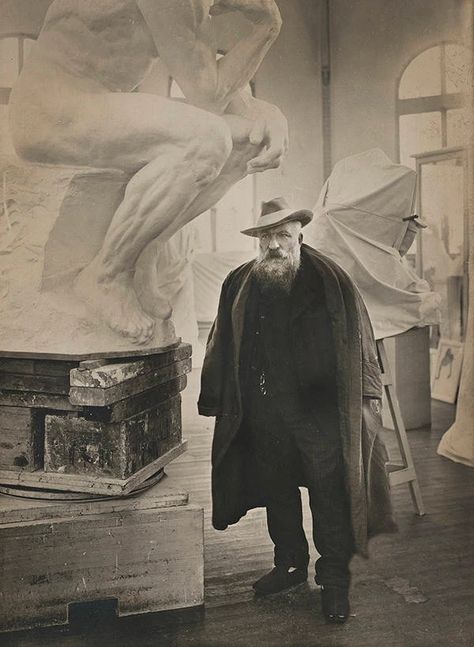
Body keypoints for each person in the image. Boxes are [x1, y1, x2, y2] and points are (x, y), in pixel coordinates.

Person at [9, 0, 288, 344]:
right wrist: (268, 25)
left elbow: (228, 90)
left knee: (248, 142)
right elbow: (209, 93)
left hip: (89, 104)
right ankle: (107, 274)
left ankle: (145, 250)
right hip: (50, 110)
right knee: (208, 138)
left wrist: (269, 115)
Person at [198, 197, 397, 623]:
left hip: (320, 415)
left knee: (329, 496)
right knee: (278, 489)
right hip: (264, 411)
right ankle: (289, 564)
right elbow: (221, 341)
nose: (274, 245)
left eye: (282, 235)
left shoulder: (331, 280)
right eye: (267, 236)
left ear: (299, 237)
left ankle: (334, 583)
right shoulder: (240, 282)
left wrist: (366, 398)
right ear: (258, 240)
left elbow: (361, 340)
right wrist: (214, 395)